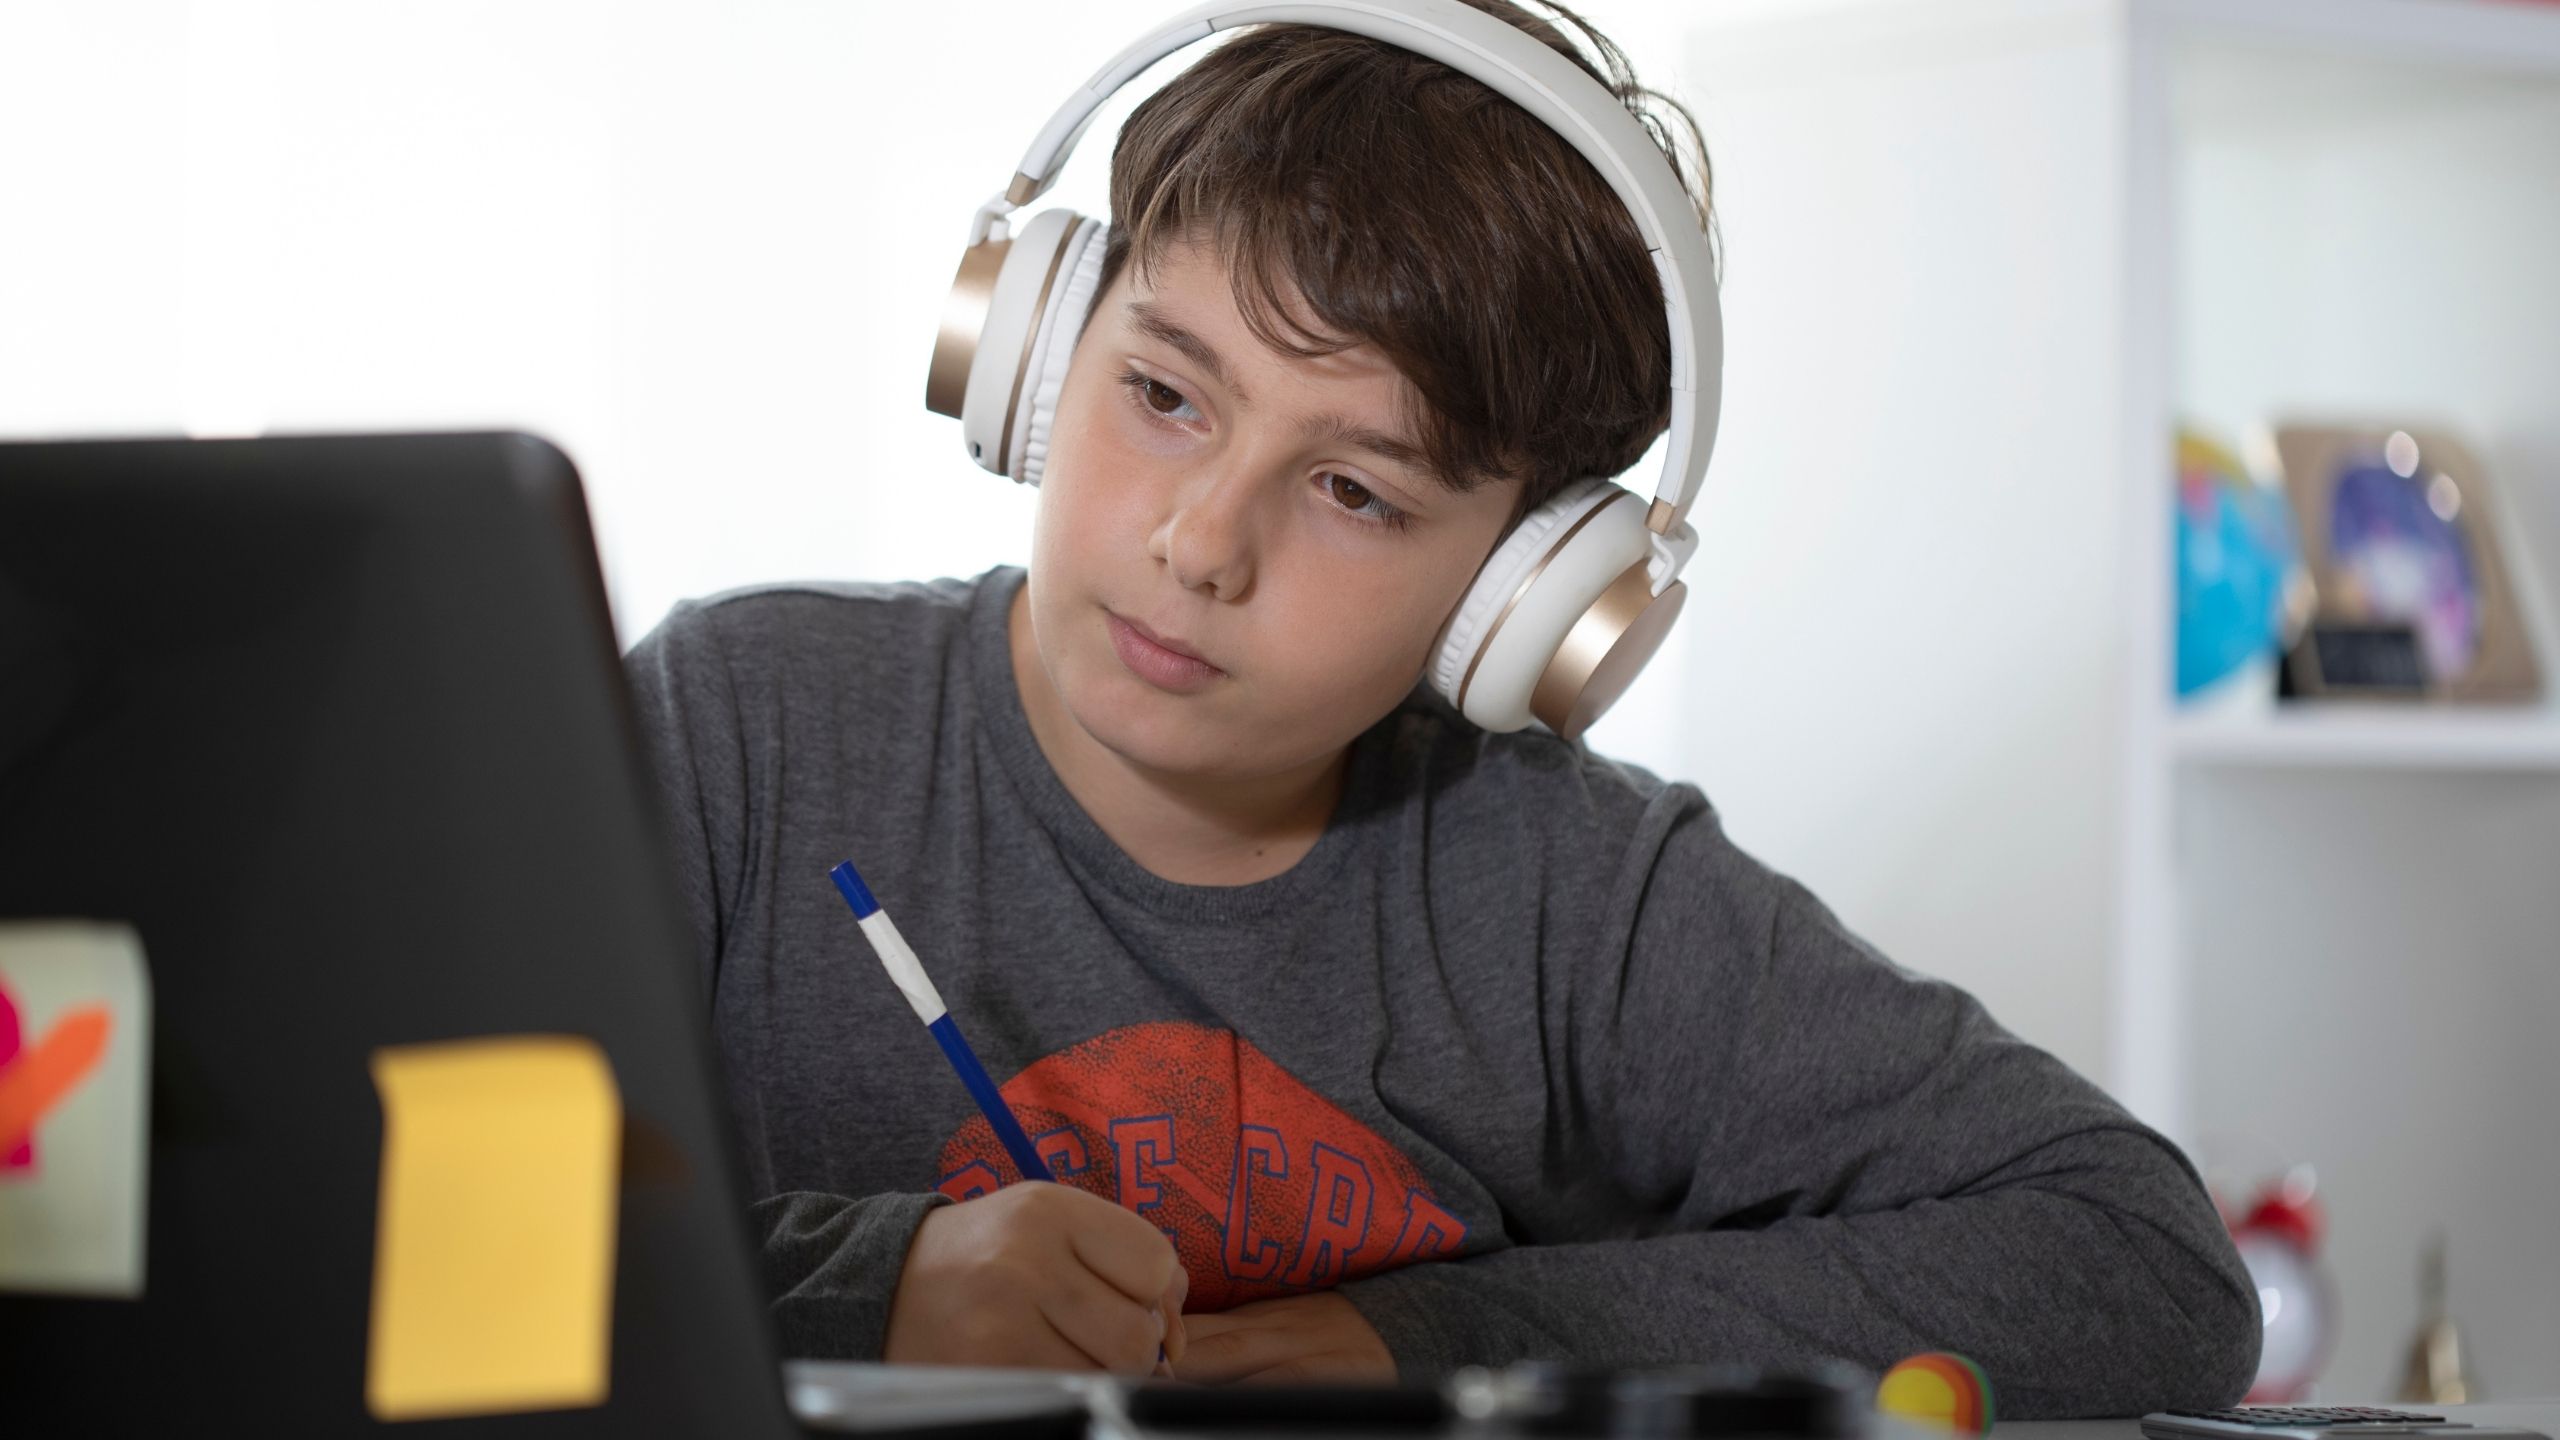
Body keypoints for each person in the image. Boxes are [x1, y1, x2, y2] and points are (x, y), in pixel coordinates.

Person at [624, 0, 2261, 1416]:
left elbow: (2140, 1256)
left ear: (1520, 594)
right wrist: (870, 1288)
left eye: (1351, 488)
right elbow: (375, 1191)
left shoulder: (1568, 888)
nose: (1200, 544)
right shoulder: (738, 734)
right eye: (1167, 393)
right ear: (1039, 348)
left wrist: (1445, 1339)